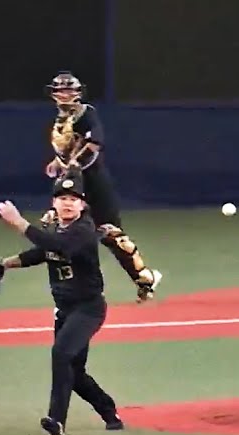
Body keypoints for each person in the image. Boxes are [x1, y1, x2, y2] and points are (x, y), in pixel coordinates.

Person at [0, 172, 132, 435]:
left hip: (88, 309)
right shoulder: (57, 228)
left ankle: (56, 420)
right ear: (54, 203)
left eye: (73, 199)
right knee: (74, 372)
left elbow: (58, 246)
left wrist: (18, 222)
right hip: (65, 310)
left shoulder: (84, 230)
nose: (67, 203)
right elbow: (42, 252)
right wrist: (5, 264)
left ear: (82, 205)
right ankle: (109, 412)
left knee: (61, 354)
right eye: (62, 198)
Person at [42, 71, 162, 303]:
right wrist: (58, 162)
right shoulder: (60, 119)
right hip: (72, 184)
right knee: (62, 231)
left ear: (78, 93)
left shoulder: (86, 114)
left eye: (69, 90)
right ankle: (75, 288)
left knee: (111, 234)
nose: (64, 95)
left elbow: (94, 144)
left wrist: (74, 164)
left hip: (93, 183)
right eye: (60, 90)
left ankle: (144, 279)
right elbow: (68, 147)